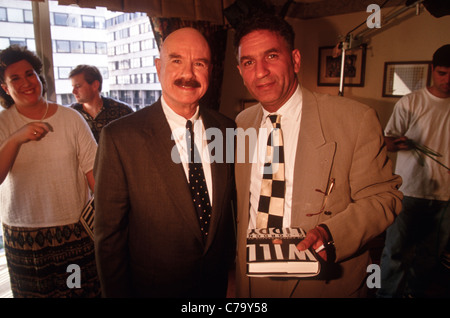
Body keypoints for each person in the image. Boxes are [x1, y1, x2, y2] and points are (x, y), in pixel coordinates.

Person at [233, 13, 403, 298]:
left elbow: (384, 197)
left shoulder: (355, 119)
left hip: (324, 283)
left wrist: (330, 233)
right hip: (252, 280)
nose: (260, 71)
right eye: (249, 62)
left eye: (271, 56)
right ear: (240, 70)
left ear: (296, 60)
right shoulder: (240, 123)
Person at [94, 27, 236, 298]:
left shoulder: (228, 129)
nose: (188, 74)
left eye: (199, 63)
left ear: (210, 71)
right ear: (158, 67)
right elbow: (109, 240)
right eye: (177, 60)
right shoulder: (119, 138)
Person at [0, 45, 100, 297]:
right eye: (15, 78)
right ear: (5, 87)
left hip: (75, 233)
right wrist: (15, 139)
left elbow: (95, 174)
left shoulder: (71, 119)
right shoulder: (3, 123)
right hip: (23, 238)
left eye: (30, 74)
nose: (26, 82)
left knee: (80, 292)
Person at [378, 44, 450, 298]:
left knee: (428, 259)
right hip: (408, 192)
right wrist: (396, 142)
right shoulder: (411, 102)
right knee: (395, 252)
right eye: (442, 73)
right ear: (433, 70)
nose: (447, 80)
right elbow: (385, 141)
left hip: (445, 198)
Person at [69, 64, 133, 142]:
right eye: (73, 87)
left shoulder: (122, 111)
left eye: (78, 86)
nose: (73, 92)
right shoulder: (71, 114)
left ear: (95, 85)